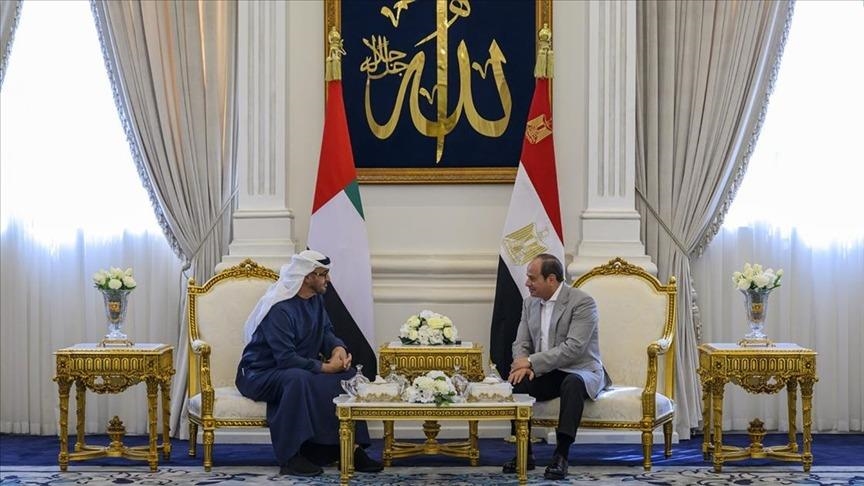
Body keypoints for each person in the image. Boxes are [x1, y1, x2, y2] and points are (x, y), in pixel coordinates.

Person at [236, 249, 383, 477]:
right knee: (297, 379)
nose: (328, 279)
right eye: (323, 274)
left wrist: (338, 349)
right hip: (260, 373)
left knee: (348, 377)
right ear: (307, 277)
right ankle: (291, 456)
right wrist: (326, 367)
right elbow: (285, 359)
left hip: (296, 368)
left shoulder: (315, 301)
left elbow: (326, 332)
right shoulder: (279, 309)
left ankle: (350, 449)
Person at [503, 253, 611, 480]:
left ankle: (561, 455)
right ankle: (524, 452)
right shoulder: (529, 303)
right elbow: (521, 343)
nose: (527, 283)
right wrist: (521, 366)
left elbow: (574, 348)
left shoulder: (582, 302)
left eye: (532, 278)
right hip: (547, 371)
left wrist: (531, 362)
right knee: (517, 381)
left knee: (572, 383)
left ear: (551, 279)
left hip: (581, 370)